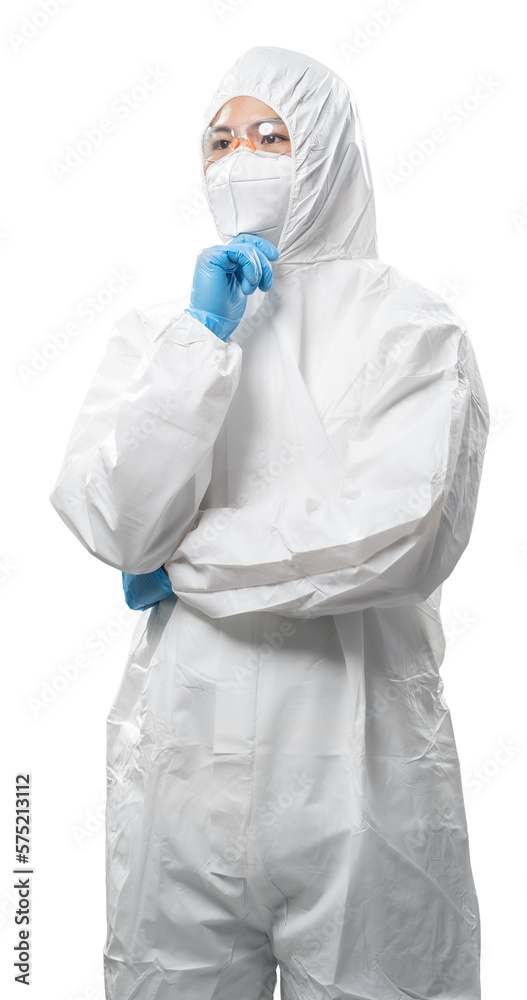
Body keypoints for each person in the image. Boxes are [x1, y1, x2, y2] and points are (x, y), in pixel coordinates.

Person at [49, 45, 490, 1000]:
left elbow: (399, 534)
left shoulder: (409, 327)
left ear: (324, 149)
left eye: (269, 136)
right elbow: (118, 524)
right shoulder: (161, 335)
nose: (238, 159)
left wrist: (185, 564)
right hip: (182, 775)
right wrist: (202, 341)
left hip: (361, 781)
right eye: (218, 141)